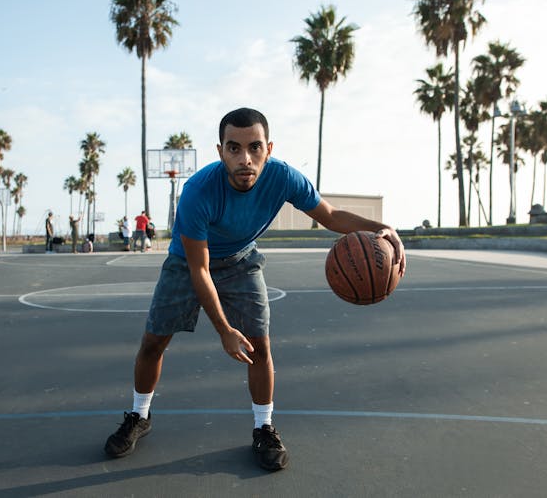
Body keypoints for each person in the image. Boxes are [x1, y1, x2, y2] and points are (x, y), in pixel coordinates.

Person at [103, 108, 406, 471]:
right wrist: (223, 330)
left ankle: (264, 427)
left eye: (254, 147)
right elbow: (199, 269)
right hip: (187, 263)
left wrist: (383, 228)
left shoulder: (282, 177)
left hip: (241, 260)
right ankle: (139, 415)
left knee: (260, 346)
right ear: (220, 151)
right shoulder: (198, 191)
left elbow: (329, 215)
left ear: (268, 148)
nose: (245, 158)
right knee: (153, 343)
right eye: (234, 148)